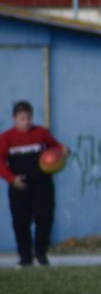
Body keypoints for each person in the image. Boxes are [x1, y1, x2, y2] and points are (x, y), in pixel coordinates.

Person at [0, 101, 68, 267]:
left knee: (44, 219)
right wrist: (11, 179)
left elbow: (57, 148)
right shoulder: (7, 138)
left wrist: (64, 151)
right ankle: (25, 257)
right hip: (19, 187)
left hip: (42, 185)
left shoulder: (41, 134)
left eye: (29, 118)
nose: (26, 122)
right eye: (22, 118)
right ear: (14, 119)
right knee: (20, 222)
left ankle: (41, 254)